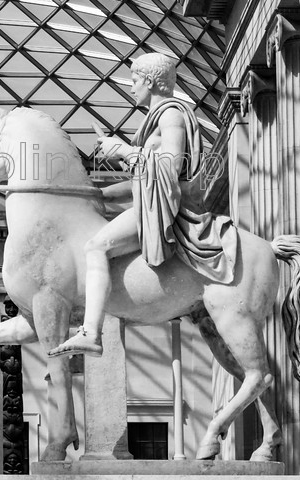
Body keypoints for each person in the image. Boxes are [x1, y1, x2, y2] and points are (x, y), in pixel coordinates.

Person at [48, 52, 236, 358]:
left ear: (150, 81)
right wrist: (98, 194)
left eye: (135, 80)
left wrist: (122, 150)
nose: (132, 87)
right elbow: (141, 184)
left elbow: (170, 166)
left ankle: (90, 332)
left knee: (96, 247)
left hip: (163, 211)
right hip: (149, 204)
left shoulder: (171, 115)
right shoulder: (155, 121)